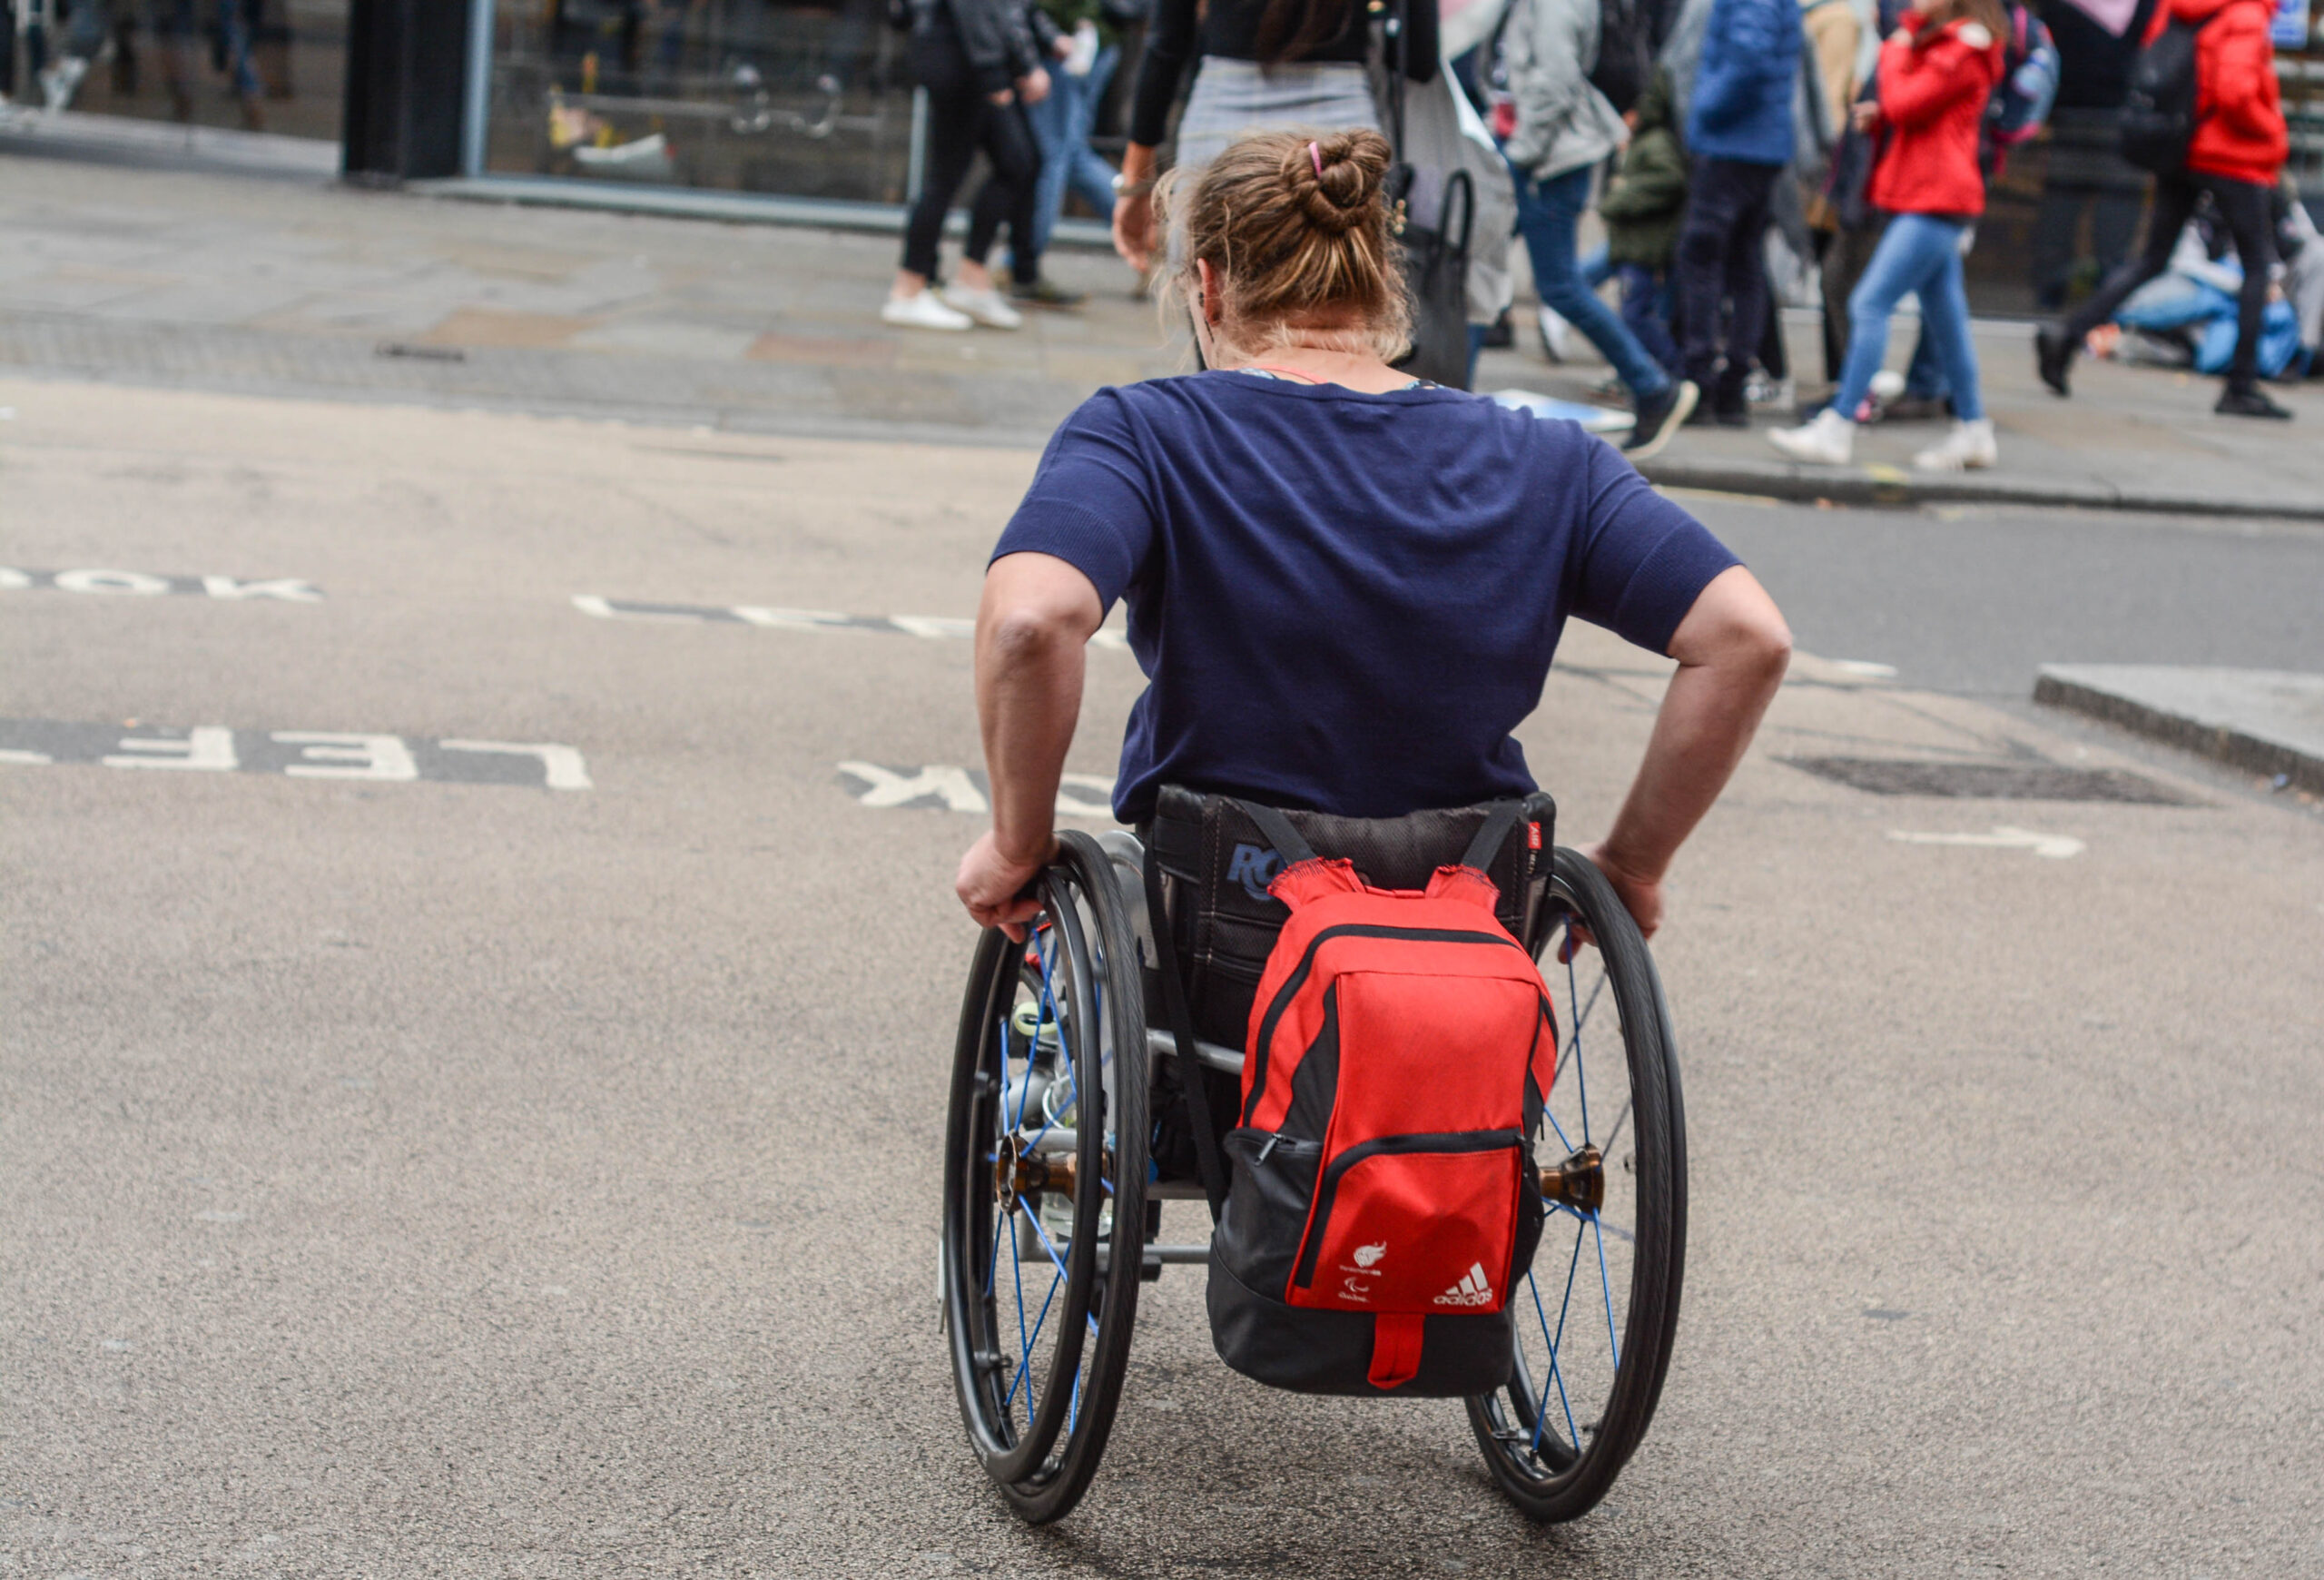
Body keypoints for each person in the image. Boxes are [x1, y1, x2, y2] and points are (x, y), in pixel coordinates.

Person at [954, 127, 1791, 964]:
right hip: (1467, 923)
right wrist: (1633, 865)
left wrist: (1015, 844)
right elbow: (1746, 639)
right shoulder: (1550, 459)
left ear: (1207, 288)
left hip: (1230, 922)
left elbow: (1030, 623)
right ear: (1384, 286)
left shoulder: (1144, 433)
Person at [1769, 0, 2004, 469]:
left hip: (1936, 199)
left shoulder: (1964, 46)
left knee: (1869, 303)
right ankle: (1974, 430)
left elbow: (1905, 101)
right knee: (1948, 322)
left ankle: (1839, 427)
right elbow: (1918, 110)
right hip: (1926, 194)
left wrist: (1896, 43)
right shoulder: (1947, 44)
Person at [2034, 0, 2292, 419]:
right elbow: (2236, 91)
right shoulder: (2245, 13)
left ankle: (2067, 333)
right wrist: (2275, 135)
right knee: (2258, 266)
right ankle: (2240, 386)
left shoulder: (2181, 7)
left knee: (2154, 258)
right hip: (2233, 156)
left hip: (2182, 146)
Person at [1110, 0, 1438, 272]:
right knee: (1338, 316)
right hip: (1339, 126)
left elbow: (1167, 42)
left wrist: (1136, 181)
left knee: (1215, 306)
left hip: (1220, 122)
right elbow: (1420, 58)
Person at [1504, 0, 1699, 455]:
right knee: (1519, 277)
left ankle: (1652, 386)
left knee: (1560, 286)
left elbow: (1556, 78)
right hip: (1546, 152)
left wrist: (1521, 153)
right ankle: (1652, 386)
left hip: (1548, 158)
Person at [884, 0, 1054, 332]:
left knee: (1017, 162)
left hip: (965, 58)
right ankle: (907, 290)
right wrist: (996, 71)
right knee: (948, 176)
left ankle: (971, 280)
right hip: (963, 62)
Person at [1673, 0, 1804, 424]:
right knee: (1745, 264)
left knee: (1703, 258)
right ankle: (1731, 389)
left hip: (1733, 143)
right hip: (1759, 145)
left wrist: (1704, 109)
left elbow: (1748, 56)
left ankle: (1701, 383)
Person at [1009, 0, 1120, 308]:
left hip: (1069, 46)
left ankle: (1022, 264)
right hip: (1082, 42)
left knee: (1054, 157)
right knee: (1070, 156)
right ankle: (1141, 223)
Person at [1599, 67, 1691, 379]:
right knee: (1635, 313)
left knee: (1635, 313)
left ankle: (1666, 371)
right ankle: (1646, 371)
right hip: (1633, 244)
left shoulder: (1656, 142)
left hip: (1644, 247)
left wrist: (1621, 197)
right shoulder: (1643, 141)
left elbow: (1670, 179)